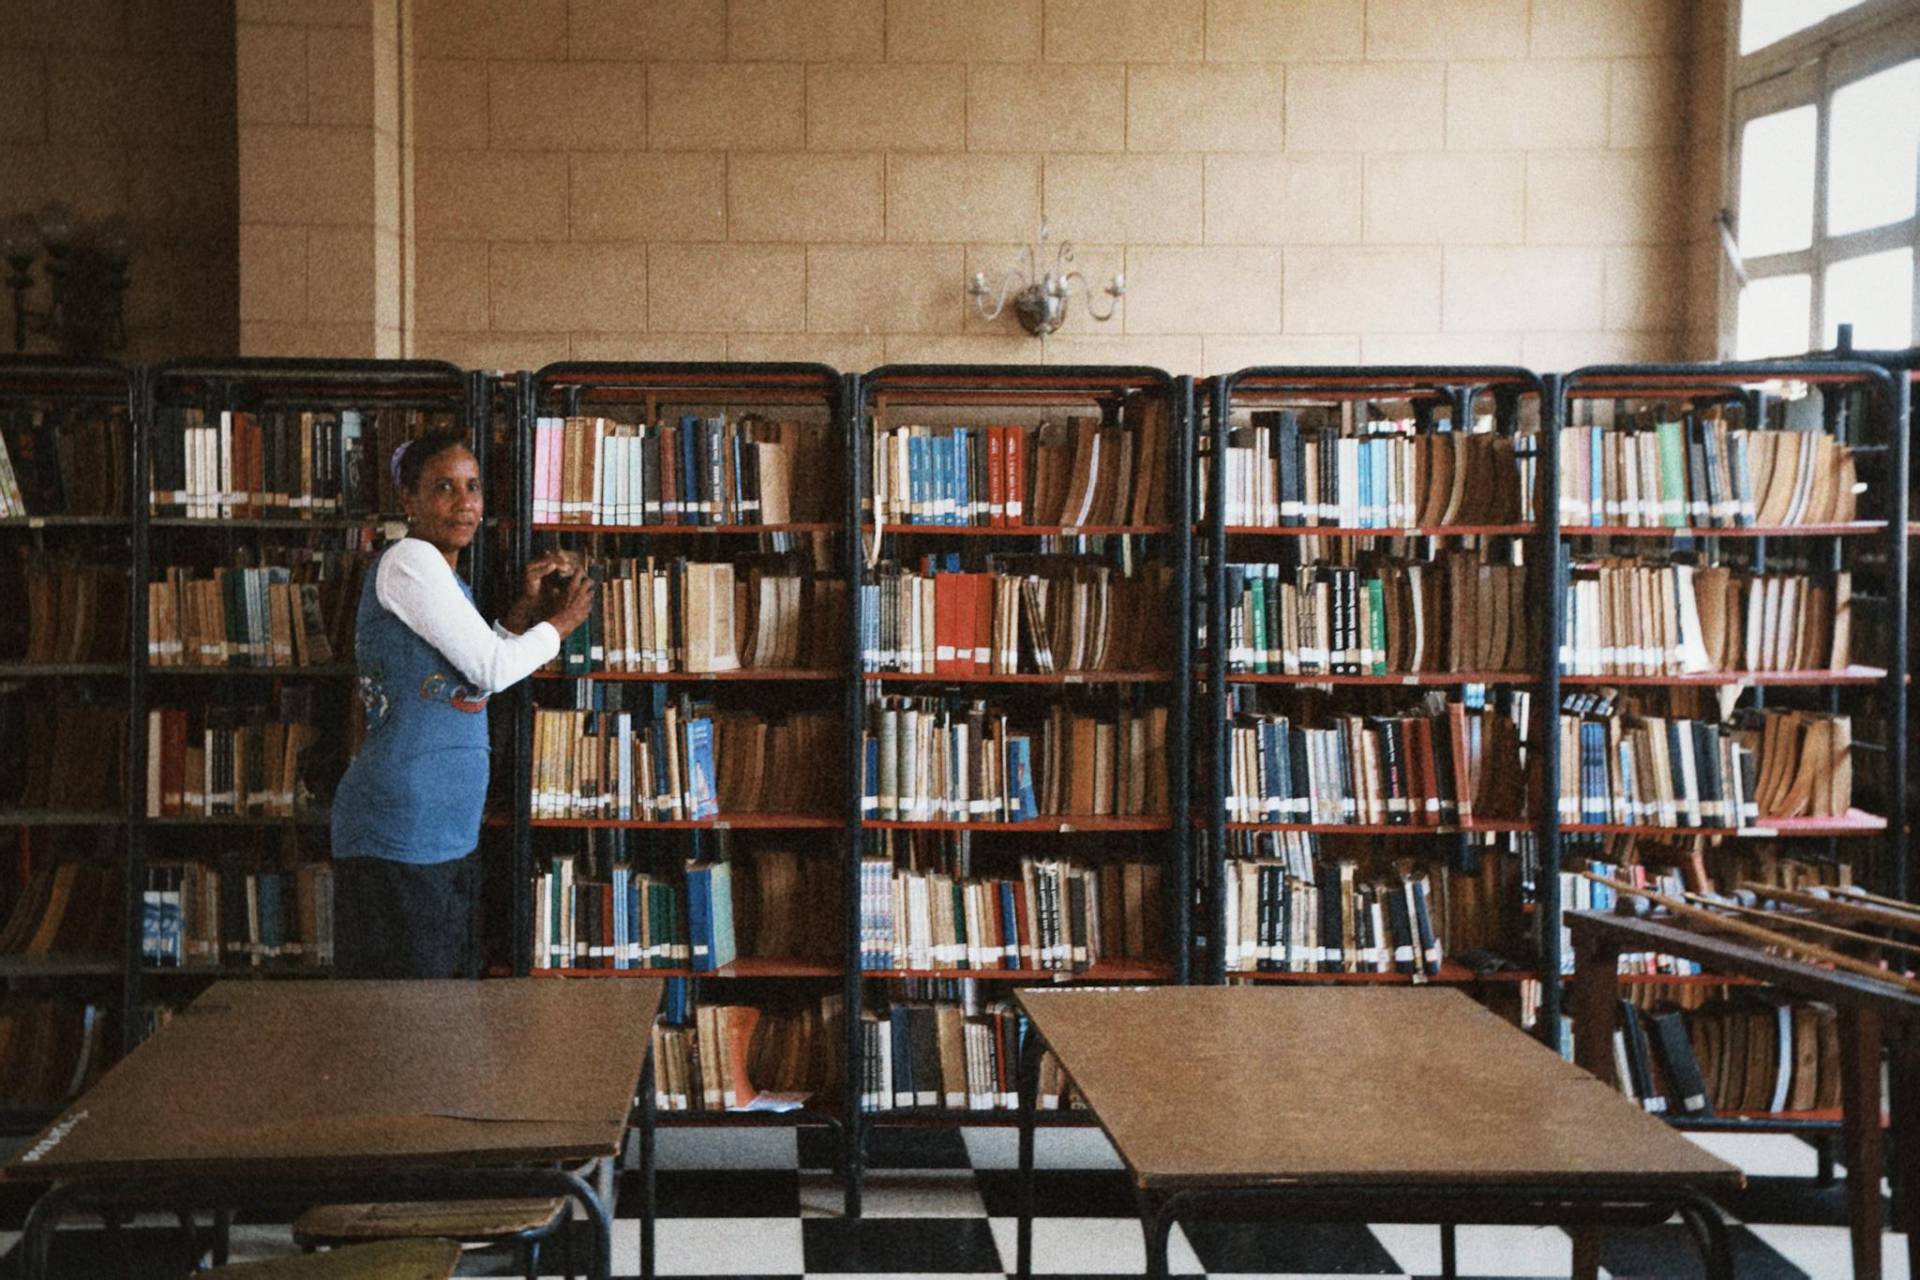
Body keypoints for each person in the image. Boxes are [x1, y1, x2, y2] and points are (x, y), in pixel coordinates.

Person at [331, 430, 592, 979]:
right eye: (444, 487)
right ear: (409, 500)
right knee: (407, 1021)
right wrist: (561, 623)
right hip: (400, 829)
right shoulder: (409, 560)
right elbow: (493, 667)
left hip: (443, 828)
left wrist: (524, 610)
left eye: (473, 488)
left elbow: (475, 684)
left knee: (439, 1016)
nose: (465, 502)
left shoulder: (447, 579)